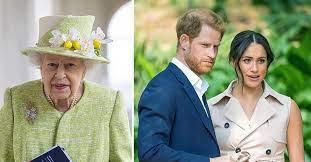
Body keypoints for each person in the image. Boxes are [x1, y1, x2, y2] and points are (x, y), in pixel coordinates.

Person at [0, 15, 132, 162]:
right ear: (41, 67)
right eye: (52, 65)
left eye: (70, 65)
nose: (60, 74)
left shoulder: (110, 103)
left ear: (84, 70)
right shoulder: (16, 98)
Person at [138, 9, 233, 162]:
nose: (212, 54)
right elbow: (151, 153)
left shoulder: (194, 86)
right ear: (184, 41)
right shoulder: (161, 88)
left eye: (216, 47)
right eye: (205, 45)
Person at [208, 30, 304, 162]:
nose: (255, 69)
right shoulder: (212, 108)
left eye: (261, 61)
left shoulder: (287, 108)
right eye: (247, 60)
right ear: (233, 61)